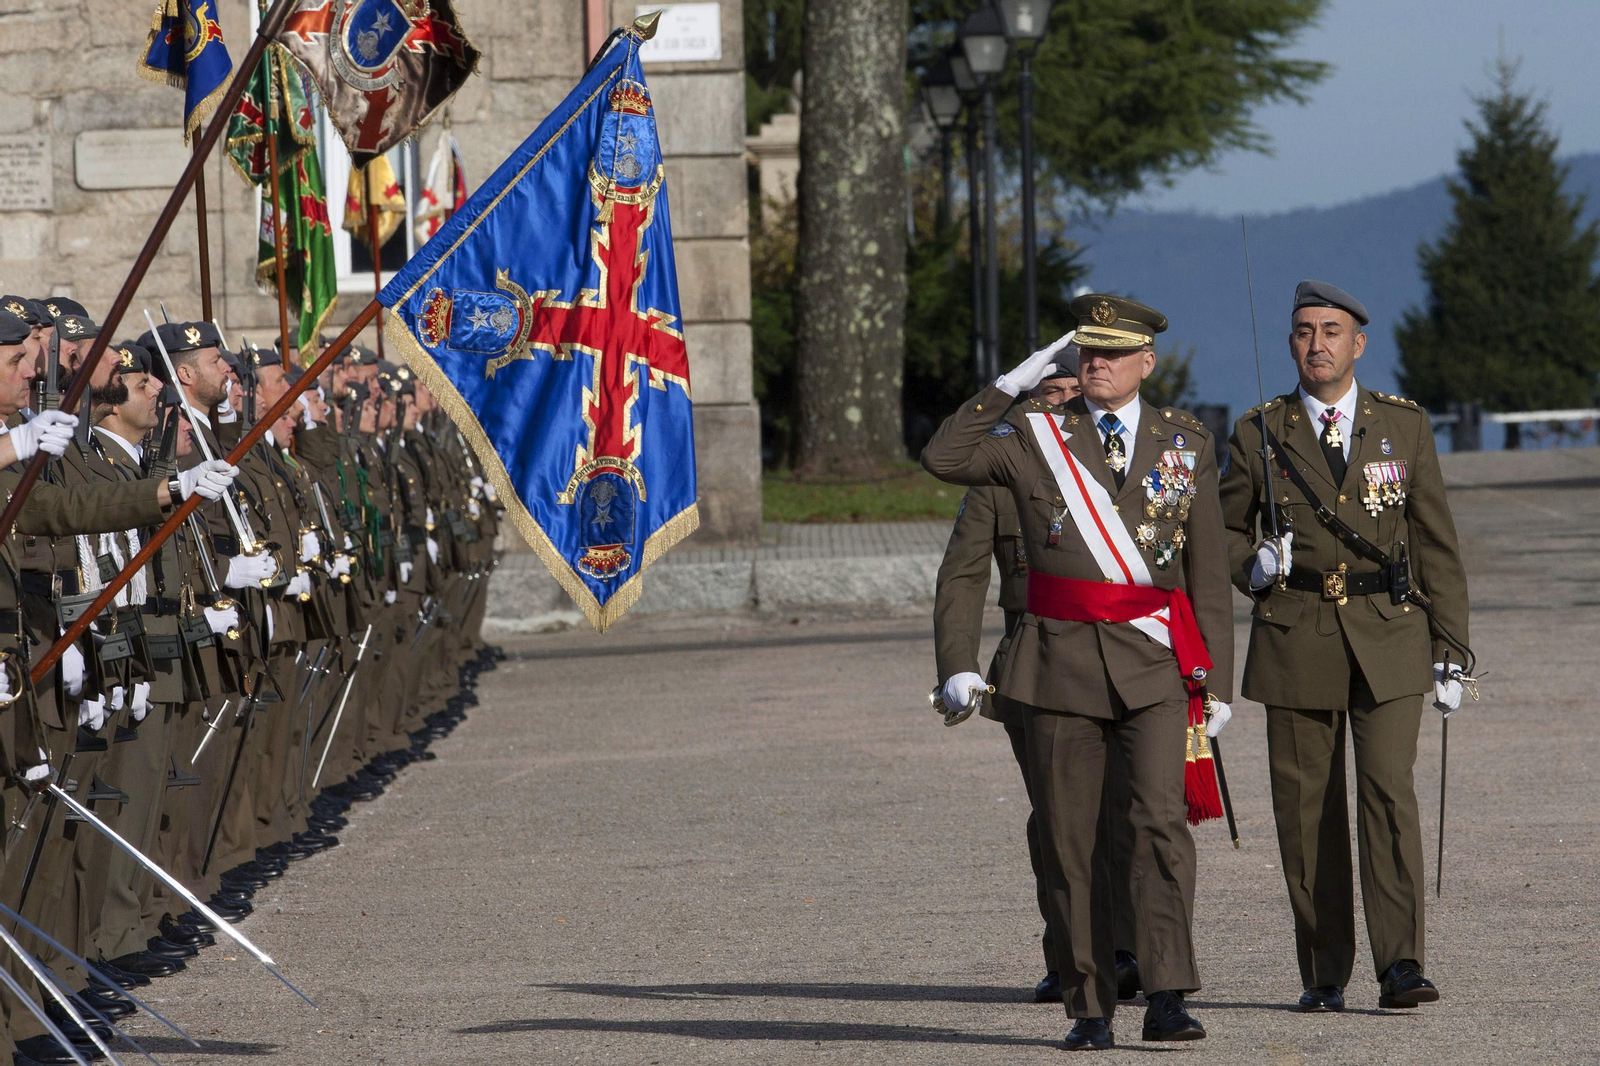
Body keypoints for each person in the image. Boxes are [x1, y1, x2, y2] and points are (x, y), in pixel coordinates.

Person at [922, 294, 1234, 1050]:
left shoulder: (1185, 443)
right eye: (1086, 352)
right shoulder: (1034, 437)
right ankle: (1089, 1003)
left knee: (1158, 827)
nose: (1097, 364)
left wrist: (1214, 680)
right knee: (1069, 839)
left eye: (1113, 353)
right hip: (1057, 663)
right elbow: (943, 456)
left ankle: (1166, 994)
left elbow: (1208, 575)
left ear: (1145, 363)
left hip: (1156, 667)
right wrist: (1013, 378)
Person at [1219, 280, 1471, 1013]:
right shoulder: (1259, 432)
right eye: (1303, 331)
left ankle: (1401, 964)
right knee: (1307, 809)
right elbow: (1227, 533)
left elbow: (1435, 544)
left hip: (1390, 631)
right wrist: (1252, 566)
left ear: (1358, 343)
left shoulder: (1405, 428)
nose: (1316, 343)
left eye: (1331, 330)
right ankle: (1323, 969)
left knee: (1388, 794)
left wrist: (1453, 649)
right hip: (1296, 631)